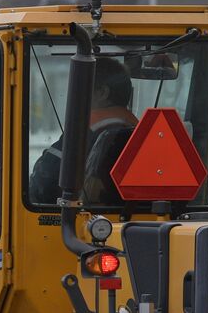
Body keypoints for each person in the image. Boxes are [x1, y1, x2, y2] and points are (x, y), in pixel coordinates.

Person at [28, 57, 139, 206]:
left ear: (102, 93)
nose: (75, 98)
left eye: (80, 90)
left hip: (81, 225)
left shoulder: (83, 136)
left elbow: (41, 188)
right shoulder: (144, 139)